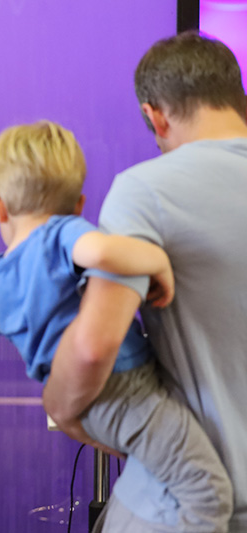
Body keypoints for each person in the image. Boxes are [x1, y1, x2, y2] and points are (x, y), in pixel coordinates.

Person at [42, 32, 247, 531]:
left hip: (178, 501)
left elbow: (93, 348)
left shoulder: (146, 190)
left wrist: (65, 407)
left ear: (155, 116)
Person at [0, 120, 232, 531]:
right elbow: (100, 250)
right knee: (207, 492)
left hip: (90, 408)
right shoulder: (60, 232)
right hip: (125, 391)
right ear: (80, 205)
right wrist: (157, 262)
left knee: (158, 474)